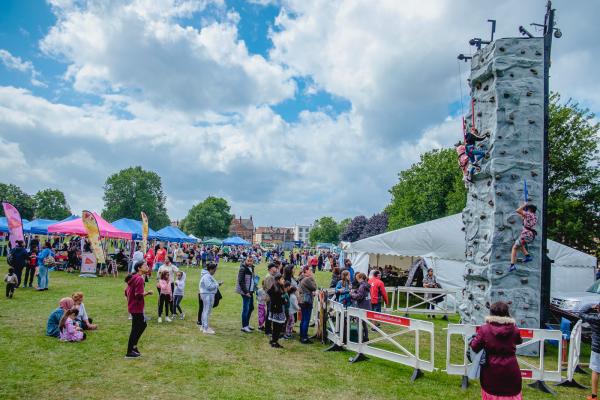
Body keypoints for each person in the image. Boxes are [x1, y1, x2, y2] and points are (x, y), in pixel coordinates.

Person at [470, 301, 523, 399]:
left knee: (491, 394)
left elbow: (474, 346)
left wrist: (472, 339)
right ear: (507, 313)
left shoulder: (484, 329)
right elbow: (519, 341)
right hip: (511, 368)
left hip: (491, 370)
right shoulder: (514, 329)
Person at [125, 260, 153, 358]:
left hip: (133, 306)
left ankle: (133, 347)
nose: (147, 267)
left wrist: (129, 299)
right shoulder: (139, 279)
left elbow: (126, 291)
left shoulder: (133, 277)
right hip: (136, 307)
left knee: (142, 325)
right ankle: (129, 351)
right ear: (139, 268)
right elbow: (138, 295)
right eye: (144, 265)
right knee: (137, 328)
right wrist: (148, 293)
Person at [509, 203, 538, 272]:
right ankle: (527, 256)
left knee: (514, 247)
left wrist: (524, 205)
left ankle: (512, 265)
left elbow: (517, 210)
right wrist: (523, 214)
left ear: (529, 209)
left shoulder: (528, 214)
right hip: (531, 235)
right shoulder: (535, 216)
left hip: (526, 234)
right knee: (520, 245)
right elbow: (523, 216)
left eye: (527, 209)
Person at [581, 303, 600, 400]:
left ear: (598, 309)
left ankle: (594, 396)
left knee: (596, 371)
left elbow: (582, 313)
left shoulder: (595, 319)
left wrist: (589, 306)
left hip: (597, 349)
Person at [297, 265, 317, 344]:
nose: (311, 272)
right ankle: (304, 337)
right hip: (307, 301)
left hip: (302, 300)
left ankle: (302, 335)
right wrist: (312, 278)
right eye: (310, 270)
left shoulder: (302, 278)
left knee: (303, 319)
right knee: (306, 319)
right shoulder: (307, 279)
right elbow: (314, 287)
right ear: (306, 271)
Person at [236, 256, 256, 333]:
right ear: (246, 260)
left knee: (251, 308)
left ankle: (247, 324)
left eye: (251, 261)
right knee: (246, 309)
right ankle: (244, 326)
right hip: (246, 292)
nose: (250, 262)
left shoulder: (252, 267)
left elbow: (252, 279)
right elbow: (241, 281)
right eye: (248, 261)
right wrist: (246, 292)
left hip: (250, 291)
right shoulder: (243, 268)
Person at [199, 262, 220, 334]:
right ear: (211, 269)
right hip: (207, 294)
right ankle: (206, 328)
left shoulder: (206, 275)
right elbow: (209, 286)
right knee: (207, 311)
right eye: (214, 270)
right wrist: (217, 284)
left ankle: (203, 326)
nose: (214, 272)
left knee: (205, 310)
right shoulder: (206, 276)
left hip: (206, 294)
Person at [350, 272, 371, 342]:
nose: (357, 280)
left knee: (359, 324)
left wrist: (352, 294)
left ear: (360, 278)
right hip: (367, 306)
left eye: (357, 279)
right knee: (364, 324)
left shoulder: (362, 286)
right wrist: (356, 291)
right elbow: (363, 294)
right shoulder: (366, 285)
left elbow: (359, 296)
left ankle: (360, 338)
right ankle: (366, 337)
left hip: (362, 307)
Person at [267, 273, 287, 348]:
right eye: (282, 279)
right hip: (277, 309)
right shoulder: (275, 288)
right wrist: (283, 300)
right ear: (278, 280)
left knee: (277, 326)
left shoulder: (280, 286)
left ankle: (273, 339)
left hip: (279, 308)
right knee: (277, 326)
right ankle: (274, 341)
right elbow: (275, 298)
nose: (283, 280)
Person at [262, 263, 278, 336]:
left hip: (271, 297)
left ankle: (268, 329)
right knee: (269, 313)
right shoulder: (269, 277)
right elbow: (269, 289)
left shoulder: (272, 276)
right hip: (270, 298)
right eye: (275, 267)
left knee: (270, 313)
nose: (276, 268)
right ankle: (267, 330)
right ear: (271, 268)